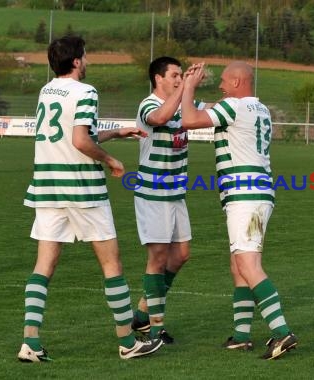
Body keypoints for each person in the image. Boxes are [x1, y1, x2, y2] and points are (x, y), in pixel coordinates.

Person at [18, 35, 162, 362]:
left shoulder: (47, 90)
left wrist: (116, 132)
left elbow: (74, 135)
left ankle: (30, 341)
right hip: (82, 187)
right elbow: (81, 141)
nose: (88, 60)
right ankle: (128, 342)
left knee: (44, 264)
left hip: (47, 186)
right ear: (77, 61)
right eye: (86, 55)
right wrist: (110, 159)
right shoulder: (86, 91)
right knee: (112, 263)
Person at [180, 61, 298, 360]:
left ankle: (282, 332)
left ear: (236, 83)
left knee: (248, 265)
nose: (219, 85)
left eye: (222, 80)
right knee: (239, 266)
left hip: (245, 195)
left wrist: (190, 86)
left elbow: (189, 119)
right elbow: (210, 107)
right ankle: (242, 336)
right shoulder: (257, 108)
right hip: (256, 192)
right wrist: (185, 88)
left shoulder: (233, 107)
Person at [130, 56, 205, 343]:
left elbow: (207, 111)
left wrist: (235, 102)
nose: (178, 79)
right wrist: (185, 89)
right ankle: (155, 329)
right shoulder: (148, 105)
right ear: (158, 78)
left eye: (180, 75)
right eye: (174, 75)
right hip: (153, 193)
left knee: (182, 255)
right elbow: (160, 118)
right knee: (158, 259)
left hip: (176, 194)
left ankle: (143, 313)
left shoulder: (183, 104)